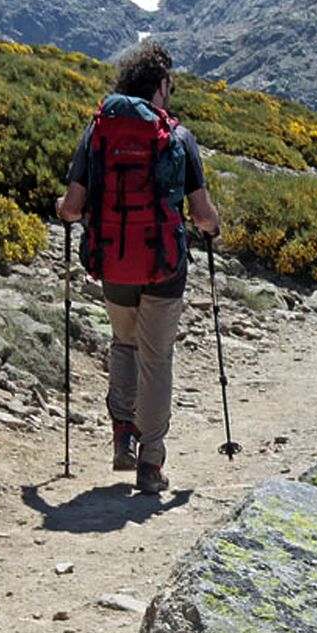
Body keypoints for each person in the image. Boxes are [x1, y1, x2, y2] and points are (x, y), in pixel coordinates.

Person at [55, 42, 220, 495]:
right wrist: (213, 227)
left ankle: (122, 437)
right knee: (156, 357)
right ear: (161, 86)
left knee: (124, 343)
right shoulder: (177, 137)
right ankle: (151, 461)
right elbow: (203, 215)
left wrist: (63, 209)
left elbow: (72, 207)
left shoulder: (98, 132)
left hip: (114, 261)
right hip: (164, 266)